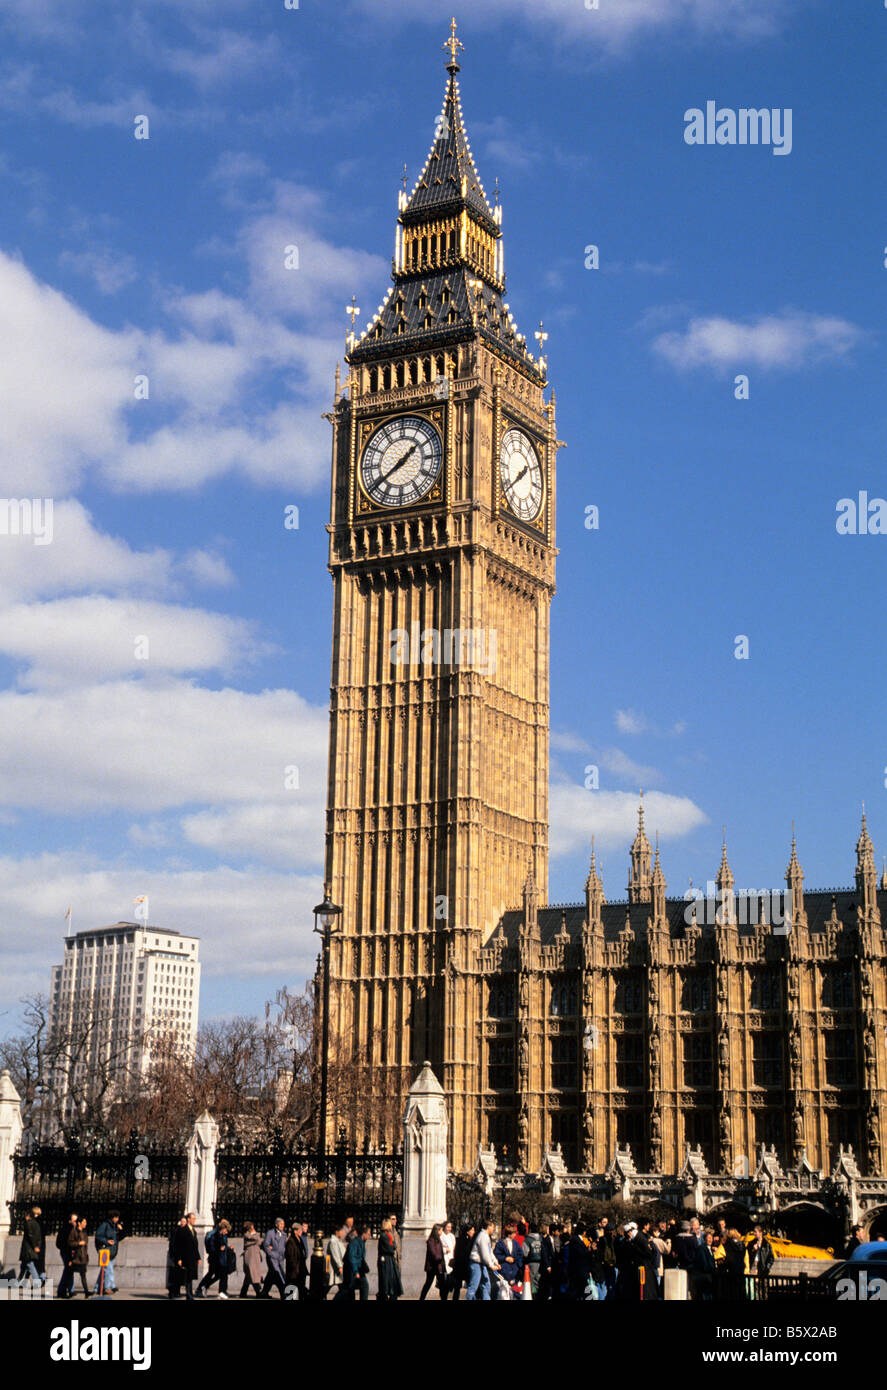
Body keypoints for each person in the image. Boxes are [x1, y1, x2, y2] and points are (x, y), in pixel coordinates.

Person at [196, 1218, 232, 1299]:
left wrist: (227, 1248)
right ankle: (203, 1287)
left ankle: (206, 1287)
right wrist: (220, 1249)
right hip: (215, 1259)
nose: (226, 1233)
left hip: (220, 1259)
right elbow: (212, 1248)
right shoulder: (214, 1235)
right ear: (222, 1228)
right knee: (213, 1274)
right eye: (226, 1231)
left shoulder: (222, 1235)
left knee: (219, 1275)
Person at [466, 1219, 499, 1300]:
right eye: (492, 1227)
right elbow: (485, 1254)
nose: (493, 1229)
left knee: (486, 1284)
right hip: (476, 1264)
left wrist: (495, 1262)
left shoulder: (485, 1236)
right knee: (473, 1286)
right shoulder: (482, 1237)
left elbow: (490, 1252)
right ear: (488, 1227)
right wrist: (491, 1265)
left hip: (481, 1264)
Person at [171, 1212, 201, 1300]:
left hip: (192, 1257)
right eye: (193, 1219)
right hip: (185, 1257)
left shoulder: (193, 1231)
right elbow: (178, 1245)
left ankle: (190, 1293)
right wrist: (179, 1258)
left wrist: (198, 1257)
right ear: (188, 1219)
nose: (194, 1220)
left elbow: (195, 1245)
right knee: (186, 1276)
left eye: (195, 1219)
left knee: (190, 1276)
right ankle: (188, 1294)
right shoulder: (183, 1230)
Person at [93, 1209, 123, 1295]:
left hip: (112, 1251)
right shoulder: (105, 1225)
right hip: (105, 1250)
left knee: (105, 1270)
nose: (117, 1219)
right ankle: (107, 1287)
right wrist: (107, 1241)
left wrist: (120, 1230)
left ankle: (97, 1288)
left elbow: (120, 1237)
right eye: (116, 1217)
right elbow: (98, 1236)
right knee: (108, 1269)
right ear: (112, 1217)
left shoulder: (115, 1226)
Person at [418, 1222, 447, 1300]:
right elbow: (434, 1253)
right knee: (428, 1283)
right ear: (437, 1231)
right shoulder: (431, 1241)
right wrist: (439, 1258)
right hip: (432, 1266)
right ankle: (422, 1298)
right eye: (441, 1230)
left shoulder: (438, 1240)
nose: (442, 1232)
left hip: (439, 1266)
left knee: (442, 1285)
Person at [18, 1204, 45, 1287]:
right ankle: (17, 1282)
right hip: (34, 1248)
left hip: (28, 1249)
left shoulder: (29, 1223)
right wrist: (37, 1246)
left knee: (30, 1265)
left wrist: (34, 1246)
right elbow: (39, 1237)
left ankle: (37, 1282)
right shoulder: (36, 1223)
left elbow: (30, 1236)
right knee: (24, 1266)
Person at [494, 1221, 524, 1294]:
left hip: (514, 1271)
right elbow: (496, 1254)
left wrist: (517, 1262)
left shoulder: (516, 1243)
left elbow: (520, 1255)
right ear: (509, 1234)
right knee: (504, 1291)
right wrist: (505, 1258)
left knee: (515, 1291)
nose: (515, 1235)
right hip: (504, 1270)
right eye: (514, 1233)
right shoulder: (500, 1243)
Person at [377, 1218, 403, 1301]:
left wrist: (393, 1246)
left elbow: (394, 1245)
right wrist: (393, 1246)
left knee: (392, 1281)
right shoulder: (384, 1236)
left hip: (391, 1260)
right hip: (386, 1260)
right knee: (386, 1281)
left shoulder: (389, 1235)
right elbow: (390, 1248)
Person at [261, 1218, 287, 1299]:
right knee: (278, 1275)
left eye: (283, 1224)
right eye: (281, 1224)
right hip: (272, 1258)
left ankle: (264, 1292)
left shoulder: (284, 1234)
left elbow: (284, 1246)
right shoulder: (270, 1233)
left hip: (280, 1259)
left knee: (271, 1275)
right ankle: (283, 1294)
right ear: (276, 1224)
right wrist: (271, 1254)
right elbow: (266, 1245)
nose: (283, 1226)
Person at [344, 1225, 370, 1301]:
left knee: (364, 1286)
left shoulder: (362, 1242)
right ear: (363, 1234)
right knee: (350, 1290)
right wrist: (356, 1272)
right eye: (368, 1234)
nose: (369, 1236)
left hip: (359, 1269)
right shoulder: (355, 1243)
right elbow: (352, 1258)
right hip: (353, 1270)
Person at [55, 1214, 78, 1299]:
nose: (76, 1222)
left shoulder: (75, 1229)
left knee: (69, 1271)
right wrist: (69, 1248)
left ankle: (69, 1289)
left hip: (70, 1252)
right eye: (74, 1220)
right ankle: (62, 1290)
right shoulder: (66, 1230)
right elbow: (59, 1243)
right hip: (66, 1252)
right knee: (67, 1271)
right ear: (70, 1221)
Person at [451, 1222, 475, 1301]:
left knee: (458, 1288)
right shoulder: (468, 1241)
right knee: (470, 1286)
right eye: (472, 1230)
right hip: (463, 1266)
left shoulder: (461, 1240)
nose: (473, 1232)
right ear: (468, 1231)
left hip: (460, 1267)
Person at [68, 1217, 91, 1298]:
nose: (85, 1224)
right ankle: (68, 1290)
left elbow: (86, 1245)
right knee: (69, 1274)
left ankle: (86, 1292)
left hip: (83, 1257)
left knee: (83, 1275)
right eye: (84, 1222)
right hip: (75, 1258)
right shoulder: (74, 1232)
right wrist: (78, 1243)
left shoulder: (84, 1233)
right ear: (79, 1223)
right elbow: (70, 1243)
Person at [722, 1227, 747, 1300]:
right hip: (741, 1271)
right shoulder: (742, 1245)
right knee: (741, 1292)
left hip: (732, 1272)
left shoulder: (728, 1245)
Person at [240, 1221, 264, 1298]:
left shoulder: (254, 1235)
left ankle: (243, 1293)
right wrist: (255, 1234)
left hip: (255, 1256)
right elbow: (257, 1240)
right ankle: (258, 1292)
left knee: (249, 1275)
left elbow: (259, 1241)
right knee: (253, 1274)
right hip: (250, 1257)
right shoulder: (248, 1235)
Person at [285, 1221, 306, 1299]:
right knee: (291, 1286)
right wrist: (294, 1267)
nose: (301, 1231)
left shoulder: (300, 1239)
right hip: (294, 1269)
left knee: (299, 1287)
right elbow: (290, 1257)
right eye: (299, 1230)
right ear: (295, 1231)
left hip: (300, 1268)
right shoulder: (291, 1241)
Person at [693, 1231, 716, 1301]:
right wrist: (713, 1269)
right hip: (704, 1276)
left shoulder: (711, 1249)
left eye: (711, 1238)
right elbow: (704, 1263)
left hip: (709, 1276)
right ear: (704, 1239)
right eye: (708, 1238)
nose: (710, 1240)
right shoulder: (701, 1248)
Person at [328, 1223, 348, 1300]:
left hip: (338, 1268)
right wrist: (340, 1266)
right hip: (336, 1269)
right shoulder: (333, 1241)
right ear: (336, 1232)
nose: (342, 1233)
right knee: (342, 1288)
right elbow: (336, 1255)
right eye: (341, 1231)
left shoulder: (337, 1241)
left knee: (343, 1288)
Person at [524, 1222, 543, 1297]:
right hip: (541, 1263)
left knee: (530, 1282)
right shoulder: (541, 1239)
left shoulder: (528, 1239)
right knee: (538, 1281)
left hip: (531, 1262)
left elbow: (525, 1253)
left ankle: (531, 1296)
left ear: (530, 1230)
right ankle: (538, 1296)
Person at [440, 1220, 456, 1295]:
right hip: (444, 1258)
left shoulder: (452, 1236)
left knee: (451, 1277)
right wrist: (445, 1250)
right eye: (448, 1227)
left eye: (450, 1227)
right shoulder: (441, 1236)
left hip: (451, 1258)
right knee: (445, 1277)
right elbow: (439, 1247)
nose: (449, 1229)